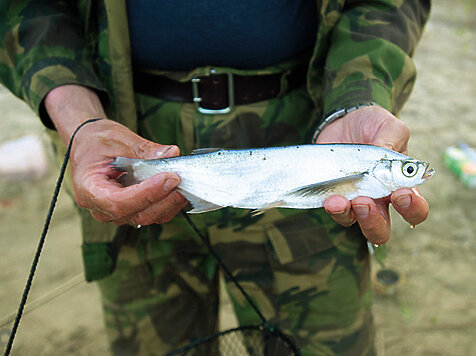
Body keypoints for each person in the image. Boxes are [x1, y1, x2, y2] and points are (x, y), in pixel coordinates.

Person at [0, 1, 431, 355]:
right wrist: (80, 121)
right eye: (408, 170)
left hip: (306, 116)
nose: (413, 173)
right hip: (123, 124)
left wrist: (358, 97)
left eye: (408, 170)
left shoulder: (356, 159)